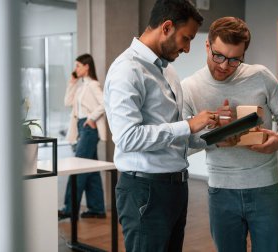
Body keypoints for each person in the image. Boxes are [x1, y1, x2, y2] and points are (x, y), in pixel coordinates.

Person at [103, 1, 220, 251]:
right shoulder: (127, 70)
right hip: (145, 192)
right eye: (186, 39)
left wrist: (217, 137)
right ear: (166, 27)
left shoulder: (169, 72)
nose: (188, 49)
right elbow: (128, 138)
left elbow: (178, 140)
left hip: (176, 188)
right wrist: (188, 124)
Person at [181, 17, 278, 252]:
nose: (225, 65)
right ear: (207, 45)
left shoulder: (261, 76)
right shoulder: (189, 87)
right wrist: (215, 135)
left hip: (264, 188)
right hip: (221, 191)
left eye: (235, 59)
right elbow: (184, 143)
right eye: (219, 56)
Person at [58, 53, 108, 220]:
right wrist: (71, 83)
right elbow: (67, 102)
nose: (75, 69)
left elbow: (105, 103)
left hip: (88, 129)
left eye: (78, 65)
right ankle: (97, 209)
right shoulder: (81, 86)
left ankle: (69, 208)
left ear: (87, 66)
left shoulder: (93, 84)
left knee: (77, 168)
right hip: (81, 128)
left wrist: (91, 118)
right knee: (91, 169)